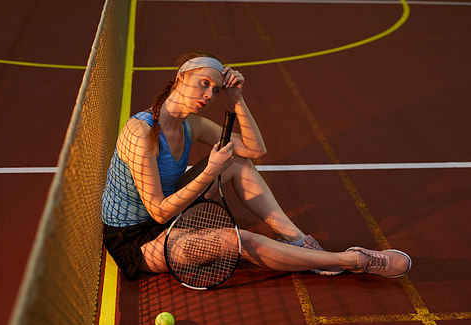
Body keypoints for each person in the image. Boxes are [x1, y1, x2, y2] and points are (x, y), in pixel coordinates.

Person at [101, 51, 411, 282]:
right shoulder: (140, 133)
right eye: (203, 84)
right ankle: (353, 260)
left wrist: (237, 99)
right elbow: (157, 212)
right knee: (240, 241)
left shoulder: (190, 125)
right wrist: (209, 170)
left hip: (167, 213)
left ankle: (296, 240)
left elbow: (254, 149)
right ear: (182, 78)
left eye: (215, 90)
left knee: (236, 159)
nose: (209, 95)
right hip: (136, 241)